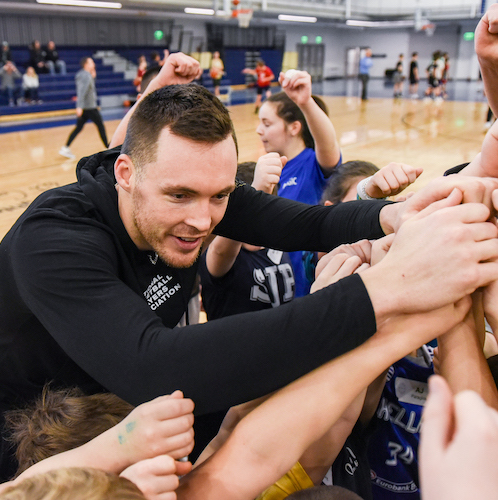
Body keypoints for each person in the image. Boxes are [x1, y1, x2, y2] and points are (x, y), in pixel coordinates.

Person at [3, 50, 498, 483]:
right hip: (35, 442)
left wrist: (390, 214)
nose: (201, 219)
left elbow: (309, 225)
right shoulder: (55, 238)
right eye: (179, 195)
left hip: (132, 409)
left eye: (219, 195)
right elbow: (152, 364)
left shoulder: (193, 195)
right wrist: (387, 289)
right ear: (126, 174)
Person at [256, 69, 341, 296]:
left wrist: (305, 103)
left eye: (266, 123)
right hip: (278, 285)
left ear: (294, 127)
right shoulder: (270, 169)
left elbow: (328, 144)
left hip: (308, 286)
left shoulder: (313, 164)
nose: (258, 130)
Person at [199, 156, 295, 320]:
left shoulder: (276, 245)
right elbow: (222, 251)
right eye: (259, 205)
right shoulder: (220, 254)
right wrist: (259, 189)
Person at [59, 57, 108, 159]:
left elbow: (88, 88)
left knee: (79, 128)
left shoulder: (84, 74)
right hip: (89, 108)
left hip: (86, 108)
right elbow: (82, 92)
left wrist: (93, 77)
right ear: (86, 64)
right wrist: (79, 106)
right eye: (91, 62)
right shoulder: (85, 76)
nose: (94, 63)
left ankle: (65, 147)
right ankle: (109, 147)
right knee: (101, 126)